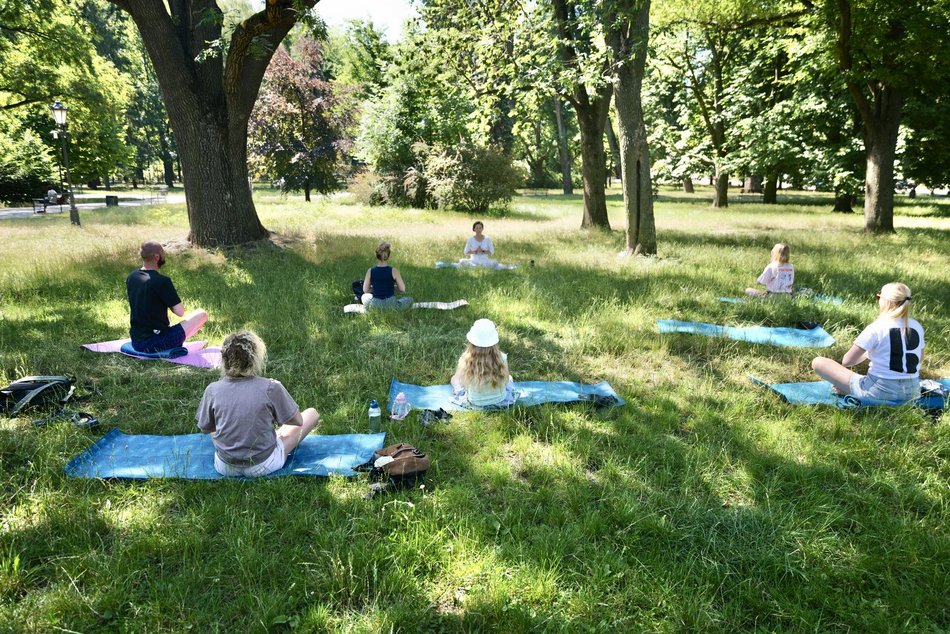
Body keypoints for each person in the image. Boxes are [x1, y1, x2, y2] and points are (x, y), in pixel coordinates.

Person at [197, 330, 320, 477]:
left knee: (216, 428)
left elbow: (206, 427)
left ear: (224, 358)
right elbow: (297, 421)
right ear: (255, 357)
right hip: (264, 465)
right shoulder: (271, 387)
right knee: (312, 413)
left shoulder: (212, 390)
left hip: (225, 466)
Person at [811, 282, 924, 403]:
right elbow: (920, 358)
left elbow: (847, 361)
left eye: (878, 297)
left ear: (885, 301)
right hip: (912, 393)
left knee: (819, 362)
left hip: (878, 392)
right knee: (862, 378)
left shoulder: (877, 327)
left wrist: (869, 353)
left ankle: (851, 390)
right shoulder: (917, 326)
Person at [126, 241, 208, 353]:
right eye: (163, 253)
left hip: (136, 341)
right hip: (155, 343)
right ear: (156, 257)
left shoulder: (132, 277)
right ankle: (175, 342)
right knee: (202, 314)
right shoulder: (162, 281)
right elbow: (180, 312)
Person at [451, 318, 514, 407]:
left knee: (454, 378)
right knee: (510, 378)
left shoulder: (466, 359)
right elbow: (506, 380)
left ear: (471, 342)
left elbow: (462, 383)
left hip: (475, 401)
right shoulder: (502, 357)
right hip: (500, 400)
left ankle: (460, 391)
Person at [361, 242, 413, 310]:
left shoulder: (370, 271)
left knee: (364, 297)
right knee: (409, 299)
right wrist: (390, 288)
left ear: (377, 256)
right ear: (388, 256)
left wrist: (377, 289)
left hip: (375, 305)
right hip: (391, 304)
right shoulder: (394, 271)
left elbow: (365, 290)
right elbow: (402, 289)